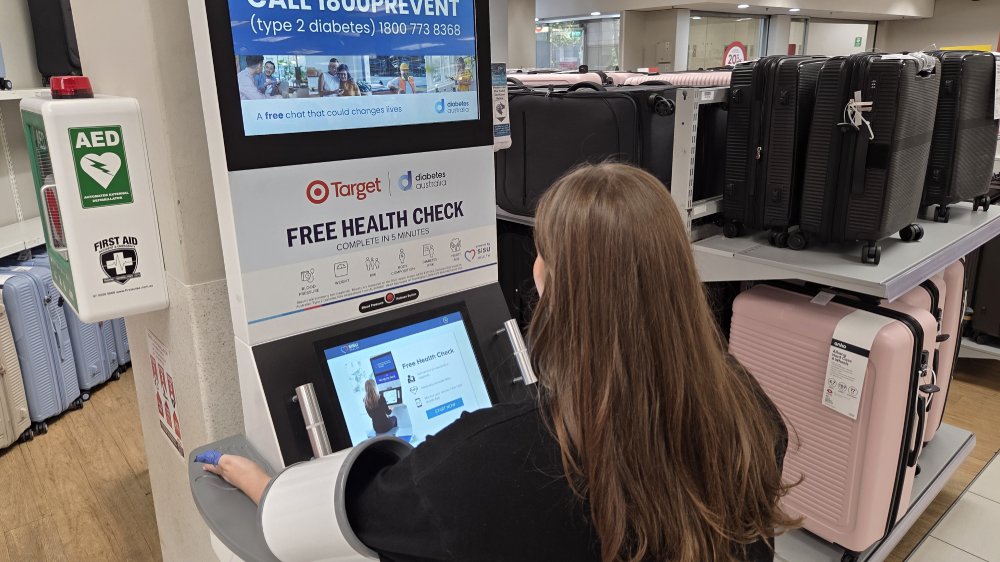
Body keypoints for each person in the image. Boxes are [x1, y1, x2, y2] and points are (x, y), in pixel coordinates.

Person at [201, 163, 798, 562]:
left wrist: (268, 488)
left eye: (542, 255)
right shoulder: (746, 409)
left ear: (553, 283)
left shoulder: (491, 459)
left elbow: (345, 521)